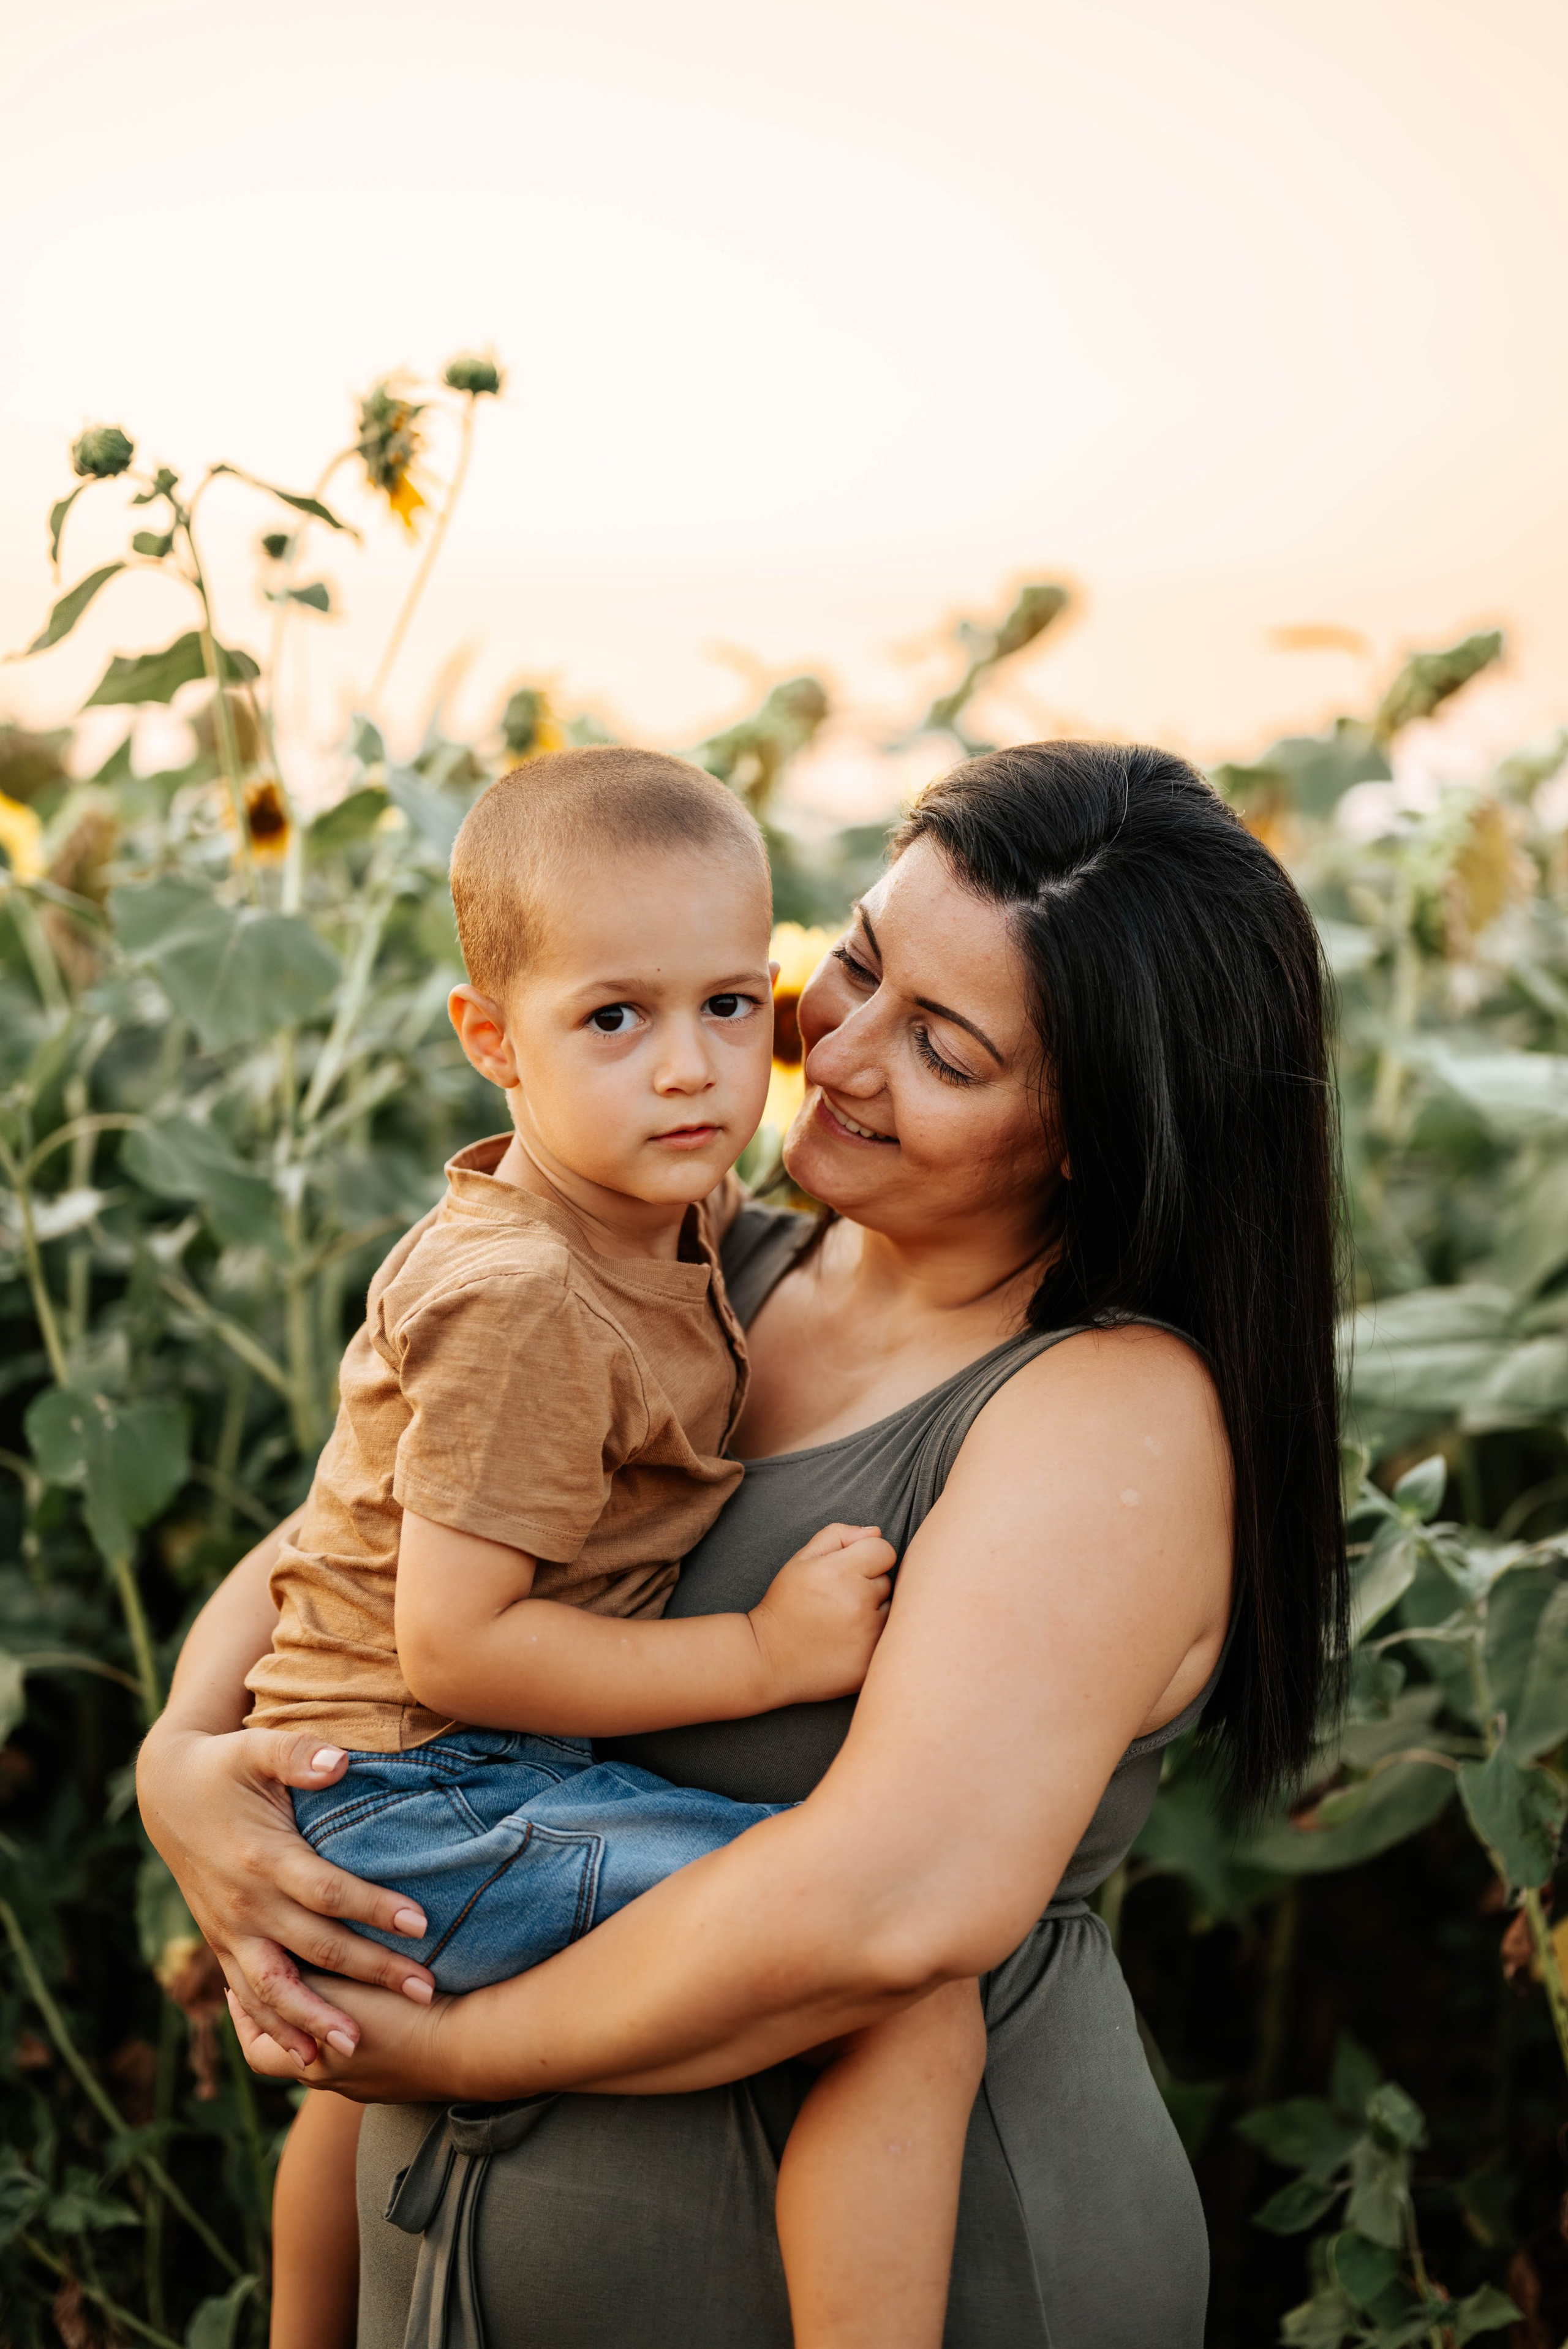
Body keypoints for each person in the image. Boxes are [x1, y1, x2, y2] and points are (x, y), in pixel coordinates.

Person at [138, 741, 1346, 2348]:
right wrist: (184, 1773)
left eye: (945, 1047)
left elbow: (889, 1912)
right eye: (851, 961)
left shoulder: (1104, 1415)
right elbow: (349, 1527)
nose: (831, 1047)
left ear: (1090, 1130)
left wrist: (450, 2049)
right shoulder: (679, 1255)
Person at [246, 745, 986, 2348]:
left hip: (394, 1771)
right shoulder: (526, 1301)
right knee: (897, 1992)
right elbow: (454, 1641)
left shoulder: (657, 1211)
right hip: (418, 1784)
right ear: (490, 1042)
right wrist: (764, 1656)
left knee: (341, 2079)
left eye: (733, 1004)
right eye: (615, 1018)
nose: (691, 1073)